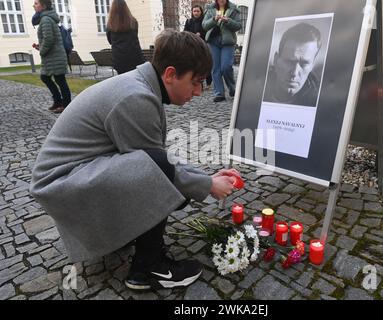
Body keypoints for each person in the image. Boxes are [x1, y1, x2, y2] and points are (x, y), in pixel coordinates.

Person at [30, 30, 238, 291]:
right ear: (171, 74)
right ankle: (149, 269)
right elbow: (157, 166)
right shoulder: (136, 97)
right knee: (157, 170)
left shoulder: (140, 85)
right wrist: (207, 185)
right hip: (61, 186)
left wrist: (205, 178)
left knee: (157, 167)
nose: (198, 92)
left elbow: (156, 155)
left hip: (76, 176)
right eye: (195, 82)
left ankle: (129, 240)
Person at [263, 23, 322, 107]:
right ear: (276, 60)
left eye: (304, 64)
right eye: (289, 62)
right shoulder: (254, 88)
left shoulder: (322, 101)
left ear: (312, 65)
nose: (294, 73)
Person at [32, 0, 71, 114]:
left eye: (36, 3)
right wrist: (41, 46)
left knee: (59, 80)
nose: (33, 5)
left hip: (55, 56)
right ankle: (58, 101)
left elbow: (49, 39)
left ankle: (66, 104)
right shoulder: (46, 19)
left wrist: (42, 50)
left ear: (43, 6)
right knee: (46, 77)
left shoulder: (46, 20)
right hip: (52, 56)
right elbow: (48, 39)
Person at [203, 0, 241, 102]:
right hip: (213, 41)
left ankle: (232, 88)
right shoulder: (210, 8)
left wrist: (228, 21)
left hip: (228, 41)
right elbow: (205, 25)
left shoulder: (233, 9)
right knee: (216, 68)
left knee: (226, 67)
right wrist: (214, 19)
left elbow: (238, 25)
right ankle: (219, 93)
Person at [106, 0, 145, 75]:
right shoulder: (133, 22)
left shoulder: (110, 25)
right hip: (135, 58)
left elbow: (110, 41)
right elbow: (135, 36)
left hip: (119, 60)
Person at [184, 4, 212, 87]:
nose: (196, 13)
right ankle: (199, 82)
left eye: (198, 11)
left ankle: (209, 81)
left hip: (204, 45)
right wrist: (193, 35)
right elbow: (185, 32)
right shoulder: (189, 21)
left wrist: (201, 34)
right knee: (196, 64)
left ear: (201, 12)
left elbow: (208, 32)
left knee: (205, 63)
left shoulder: (205, 20)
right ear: (192, 12)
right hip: (193, 45)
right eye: (194, 11)